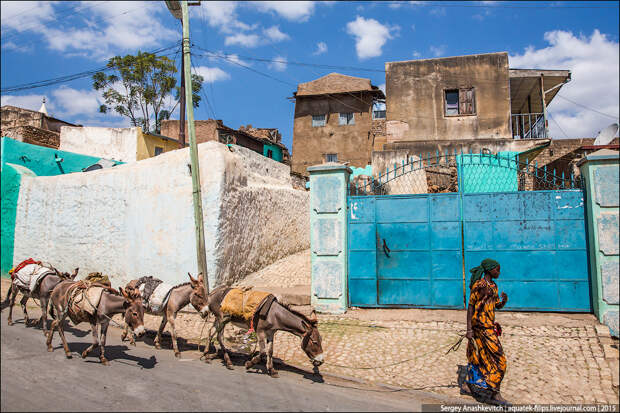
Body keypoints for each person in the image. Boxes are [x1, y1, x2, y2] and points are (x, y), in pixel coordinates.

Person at [463, 258, 509, 405]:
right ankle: (494, 392)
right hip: (479, 330)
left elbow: (495, 305)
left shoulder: (494, 286)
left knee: (479, 358)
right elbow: (470, 307)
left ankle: (468, 385)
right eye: (497, 270)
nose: (499, 272)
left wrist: (503, 302)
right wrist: (469, 329)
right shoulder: (479, 286)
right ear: (489, 270)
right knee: (500, 361)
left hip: (489, 328)